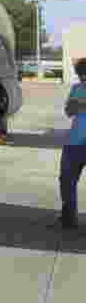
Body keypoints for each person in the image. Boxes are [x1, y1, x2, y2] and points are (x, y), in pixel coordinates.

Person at [57, 58, 86, 230]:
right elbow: (68, 111)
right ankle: (69, 217)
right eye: (81, 76)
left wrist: (81, 104)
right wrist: (73, 106)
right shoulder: (76, 88)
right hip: (74, 142)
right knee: (66, 180)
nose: (83, 80)